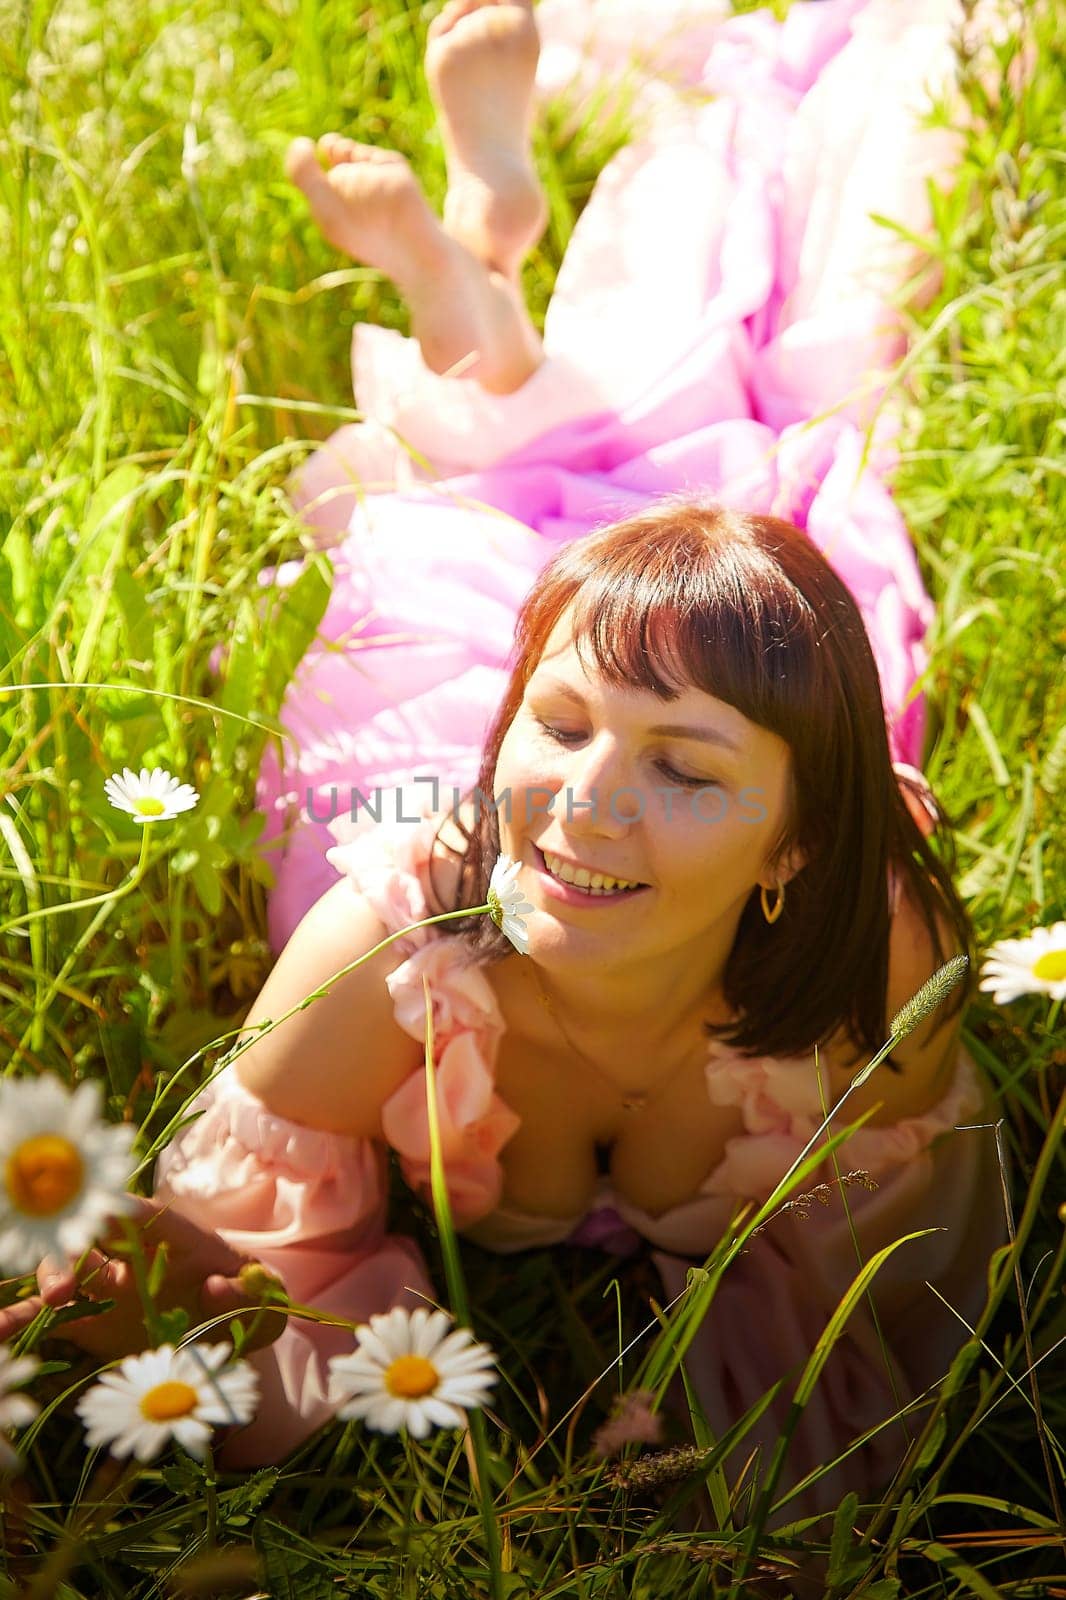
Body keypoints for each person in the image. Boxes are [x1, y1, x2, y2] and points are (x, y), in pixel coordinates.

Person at [3, 0, 1005, 1522]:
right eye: (562, 731)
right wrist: (154, 1265)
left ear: (796, 849)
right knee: (558, 507)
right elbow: (257, 1285)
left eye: (681, 769)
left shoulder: (871, 962)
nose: (586, 801)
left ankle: (480, 258)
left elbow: (877, 1320)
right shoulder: (390, 952)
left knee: (660, 489)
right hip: (412, 776)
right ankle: (476, 267)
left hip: (753, 763)